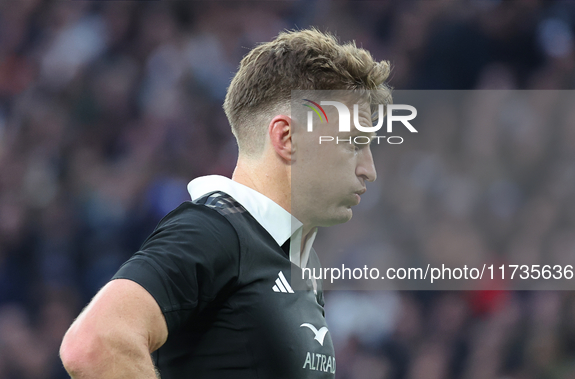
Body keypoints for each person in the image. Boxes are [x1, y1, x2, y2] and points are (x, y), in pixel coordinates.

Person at [59, 28, 391, 379]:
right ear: (287, 138)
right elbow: (95, 343)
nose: (369, 169)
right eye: (353, 143)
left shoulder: (299, 259)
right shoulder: (214, 230)